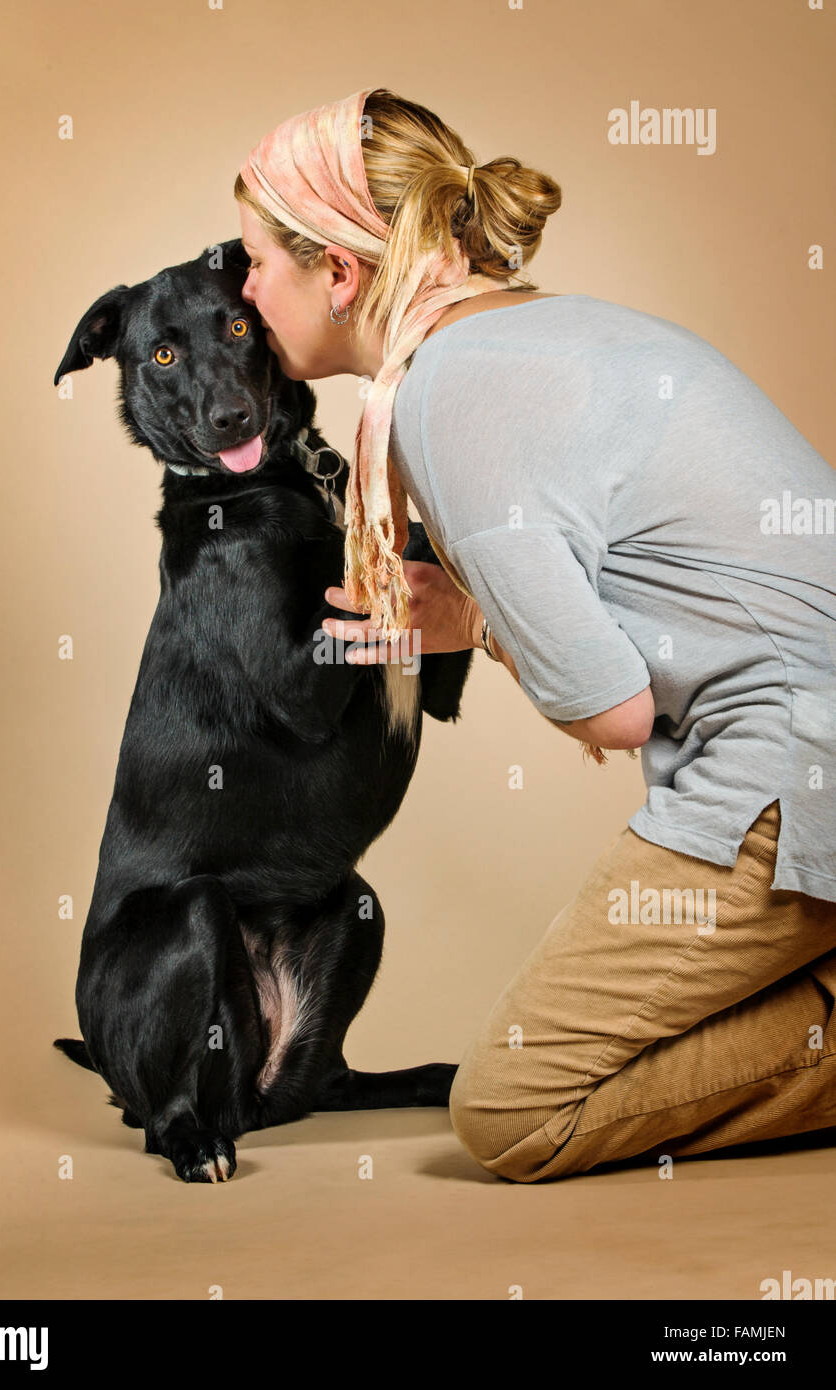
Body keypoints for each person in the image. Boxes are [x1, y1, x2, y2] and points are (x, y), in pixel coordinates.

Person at [234, 86, 836, 1182]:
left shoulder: (445, 398)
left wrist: (483, 628)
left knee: (513, 1110)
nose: (244, 287)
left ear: (339, 273)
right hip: (805, 744)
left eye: (259, 259)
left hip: (797, 767)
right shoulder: (542, 331)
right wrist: (467, 610)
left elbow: (614, 705)